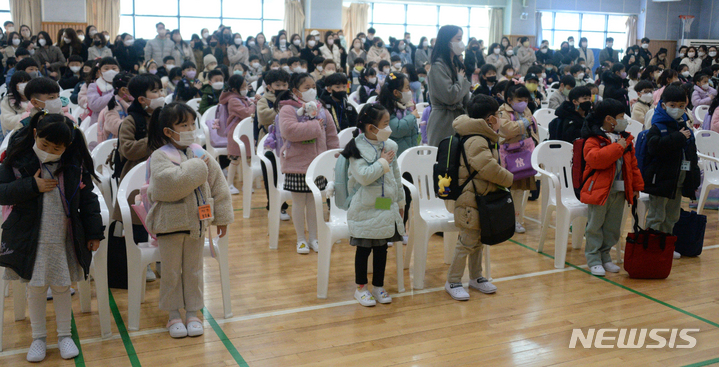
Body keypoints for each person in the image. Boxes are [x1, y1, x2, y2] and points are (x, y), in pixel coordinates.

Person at [0, 113, 103, 363]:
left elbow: (89, 200)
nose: (48, 151)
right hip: (29, 238)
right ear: (35, 135)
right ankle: (39, 338)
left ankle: (65, 335)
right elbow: (2, 194)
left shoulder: (73, 165)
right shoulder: (16, 160)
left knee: (61, 287)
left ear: (67, 146)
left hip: (63, 238)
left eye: (56, 148)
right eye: (44, 144)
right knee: (35, 288)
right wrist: (31, 185)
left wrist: (94, 232)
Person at [143, 102, 232, 338]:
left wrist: (221, 217)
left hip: (197, 224)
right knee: (171, 272)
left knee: (194, 270)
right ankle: (173, 314)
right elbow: (164, 186)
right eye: (184, 124)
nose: (191, 128)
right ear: (168, 131)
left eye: (193, 123)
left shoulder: (200, 152)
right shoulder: (159, 156)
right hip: (169, 225)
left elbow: (218, 186)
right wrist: (195, 168)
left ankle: (193, 312)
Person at [443, 94, 510, 301]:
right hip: (468, 200)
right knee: (466, 242)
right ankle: (453, 280)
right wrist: (509, 178)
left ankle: (476, 277)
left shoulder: (481, 137)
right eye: (498, 114)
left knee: (478, 240)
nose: (500, 118)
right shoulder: (476, 140)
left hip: (479, 198)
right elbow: (489, 168)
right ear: (490, 119)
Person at [276, 72, 339, 253]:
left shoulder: (322, 110)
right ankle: (301, 239)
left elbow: (332, 136)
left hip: (317, 164)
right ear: (296, 91)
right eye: (307, 87)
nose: (312, 90)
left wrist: (332, 157)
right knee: (298, 203)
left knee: (314, 203)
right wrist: (314, 127)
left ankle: (313, 238)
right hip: (296, 165)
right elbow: (289, 131)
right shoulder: (288, 109)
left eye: (313, 87)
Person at [579, 98, 643, 276]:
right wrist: (617, 148)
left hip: (619, 191)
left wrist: (636, 187)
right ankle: (593, 259)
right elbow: (595, 160)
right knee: (595, 226)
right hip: (599, 191)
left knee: (613, 227)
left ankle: (605, 256)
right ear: (609, 119)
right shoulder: (593, 139)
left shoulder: (625, 139)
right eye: (621, 116)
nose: (625, 120)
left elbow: (633, 166)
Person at [643, 85, 700, 259]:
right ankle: (652, 246)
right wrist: (678, 138)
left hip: (678, 180)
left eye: (681, 106)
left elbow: (691, 153)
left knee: (672, 216)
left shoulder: (684, 125)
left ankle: (666, 244)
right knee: (657, 215)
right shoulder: (658, 126)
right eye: (673, 105)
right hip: (660, 180)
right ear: (663, 104)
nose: (677, 109)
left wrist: (693, 177)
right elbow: (655, 148)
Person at [498, 84, 538, 233]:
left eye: (526, 99)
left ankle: (517, 220)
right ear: (509, 99)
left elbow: (533, 129)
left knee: (520, 191)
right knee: (509, 190)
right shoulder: (503, 112)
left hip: (524, 155)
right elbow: (507, 130)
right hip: (508, 157)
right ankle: (506, 220)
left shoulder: (526, 110)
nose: (524, 103)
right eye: (520, 99)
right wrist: (526, 122)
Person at [426, 25, 471, 146]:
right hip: (443, 121)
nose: (461, 43)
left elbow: (464, 95)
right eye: (458, 39)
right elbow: (450, 96)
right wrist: (460, 80)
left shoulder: (456, 63)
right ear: (447, 41)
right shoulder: (437, 66)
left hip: (459, 118)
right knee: (443, 159)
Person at [377, 72, 419, 156]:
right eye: (407, 88)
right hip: (395, 156)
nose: (409, 91)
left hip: (409, 155)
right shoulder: (385, 110)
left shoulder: (404, 106)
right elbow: (397, 130)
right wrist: (412, 116)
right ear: (396, 92)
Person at [98, 71, 132, 143]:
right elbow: (115, 127)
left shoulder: (134, 103)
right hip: (114, 144)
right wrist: (135, 123)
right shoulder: (113, 106)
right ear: (123, 90)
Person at [86, 57, 120, 127]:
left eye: (114, 69)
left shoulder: (123, 85)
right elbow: (94, 105)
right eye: (106, 69)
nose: (110, 71)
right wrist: (115, 93)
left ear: (118, 70)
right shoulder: (94, 86)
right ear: (99, 72)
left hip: (118, 123)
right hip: (99, 124)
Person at [0, 71, 31, 136]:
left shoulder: (35, 98)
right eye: (22, 82)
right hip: (15, 135)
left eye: (27, 81)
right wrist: (28, 115)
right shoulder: (7, 101)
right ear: (15, 85)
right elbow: (8, 122)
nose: (26, 84)